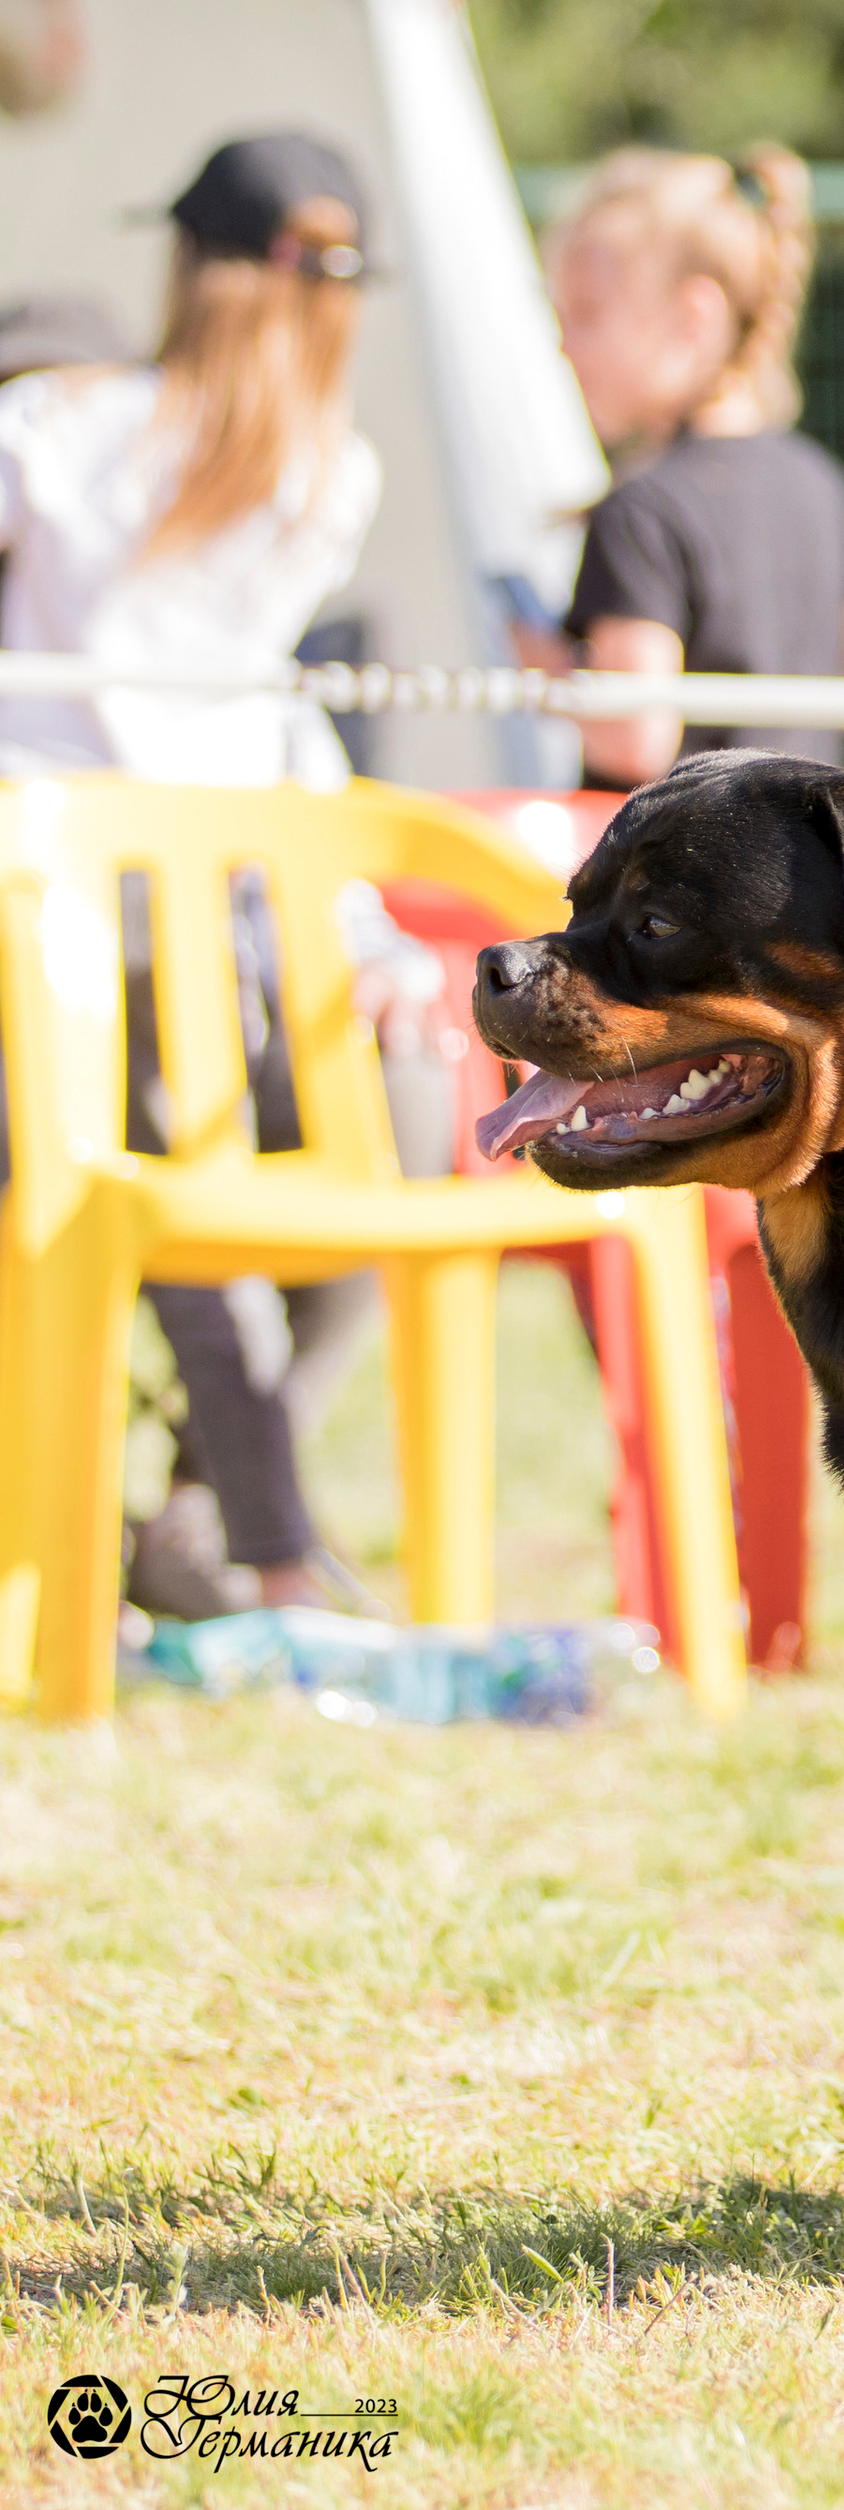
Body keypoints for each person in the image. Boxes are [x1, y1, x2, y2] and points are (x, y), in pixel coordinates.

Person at [0, 133, 385, 1616]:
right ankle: (250, 1535)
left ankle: (261, 1543)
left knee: (170, 1212)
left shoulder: (56, 429)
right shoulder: (325, 477)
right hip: (228, 898)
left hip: (65, 903)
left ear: (188, 264)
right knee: (228, 1202)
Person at [537, 146, 844, 787]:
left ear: (693, 317)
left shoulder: (642, 510)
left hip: (679, 878)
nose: (563, 344)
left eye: (586, 313)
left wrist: (547, 669)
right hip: (805, 872)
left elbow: (636, 740)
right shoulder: (820, 481)